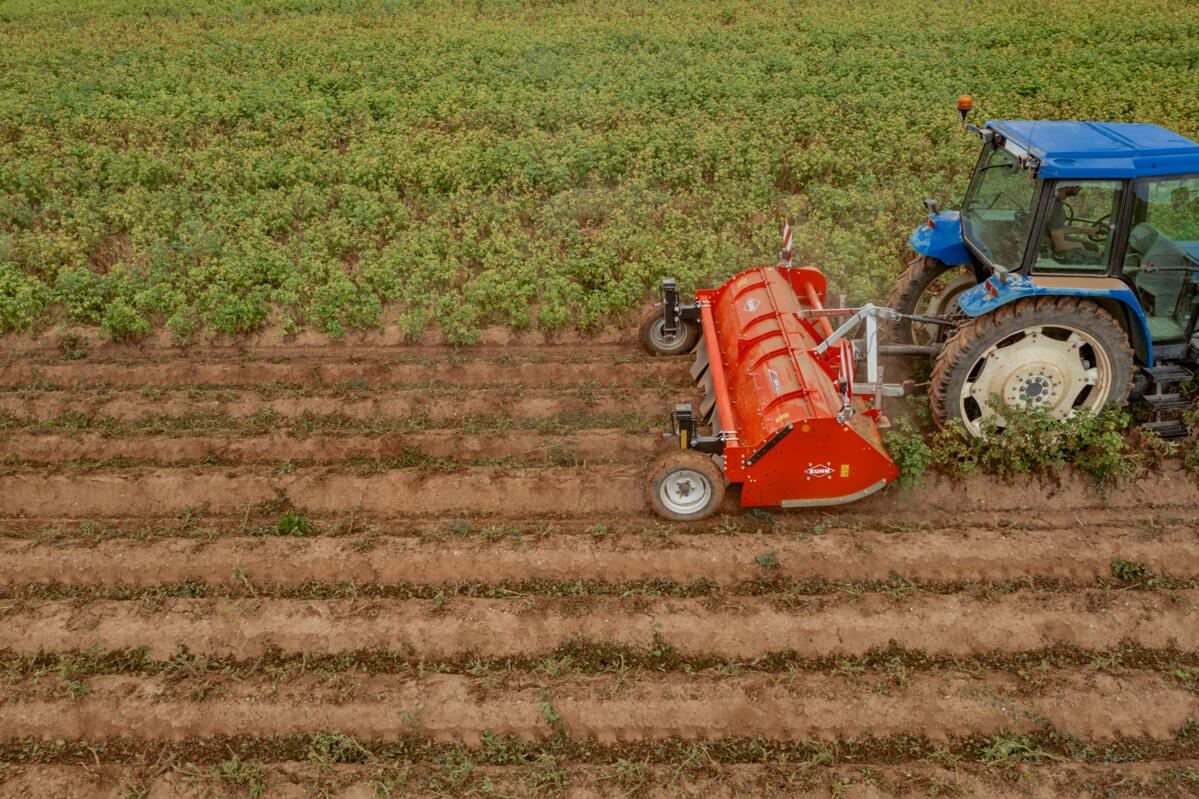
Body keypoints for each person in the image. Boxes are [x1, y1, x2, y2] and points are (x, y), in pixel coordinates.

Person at [1045, 184, 1106, 262]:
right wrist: (1079, 245)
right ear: (1065, 186)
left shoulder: (1052, 201)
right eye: (1077, 185)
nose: (1081, 187)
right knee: (1097, 259)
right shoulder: (1055, 208)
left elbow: (1056, 227)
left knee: (1093, 247)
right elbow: (1059, 246)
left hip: (1050, 240)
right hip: (1050, 249)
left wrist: (1086, 230)